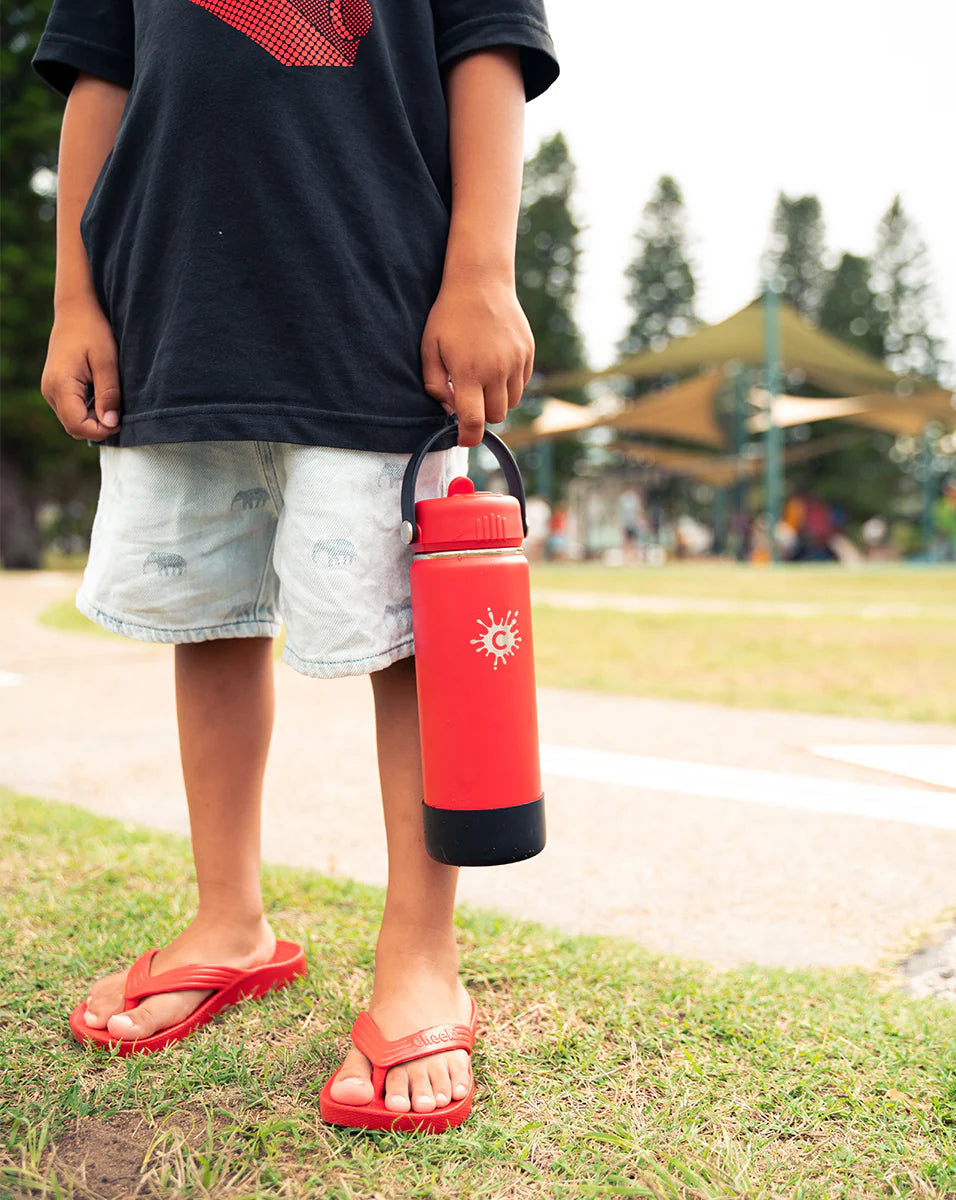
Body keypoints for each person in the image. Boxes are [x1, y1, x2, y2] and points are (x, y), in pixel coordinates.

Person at [32, 0, 558, 1133]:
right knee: (206, 622)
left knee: (411, 638)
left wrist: (483, 270)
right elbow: (95, 82)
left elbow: (489, 47)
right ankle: (230, 920)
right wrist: (77, 300)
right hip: (173, 313)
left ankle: (420, 955)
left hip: (375, 304)